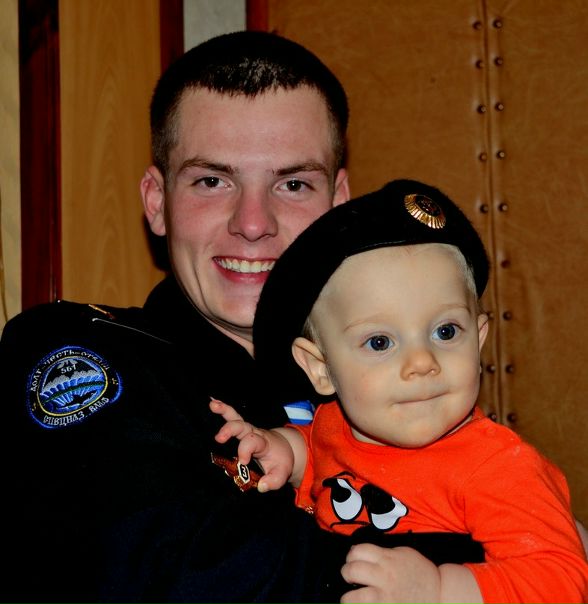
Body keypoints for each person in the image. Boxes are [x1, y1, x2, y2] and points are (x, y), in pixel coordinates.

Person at [1, 30, 356, 603]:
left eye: (293, 184)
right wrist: (443, 574)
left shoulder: (388, 382)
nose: (253, 223)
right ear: (156, 201)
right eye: (212, 181)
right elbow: (175, 578)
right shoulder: (78, 356)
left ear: (338, 207)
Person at [213, 179, 588, 603]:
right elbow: (319, 447)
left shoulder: (499, 469)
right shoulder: (334, 425)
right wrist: (281, 449)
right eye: (380, 342)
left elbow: (563, 580)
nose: (422, 362)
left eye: (446, 332)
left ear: (479, 339)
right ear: (320, 369)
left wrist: (441, 590)